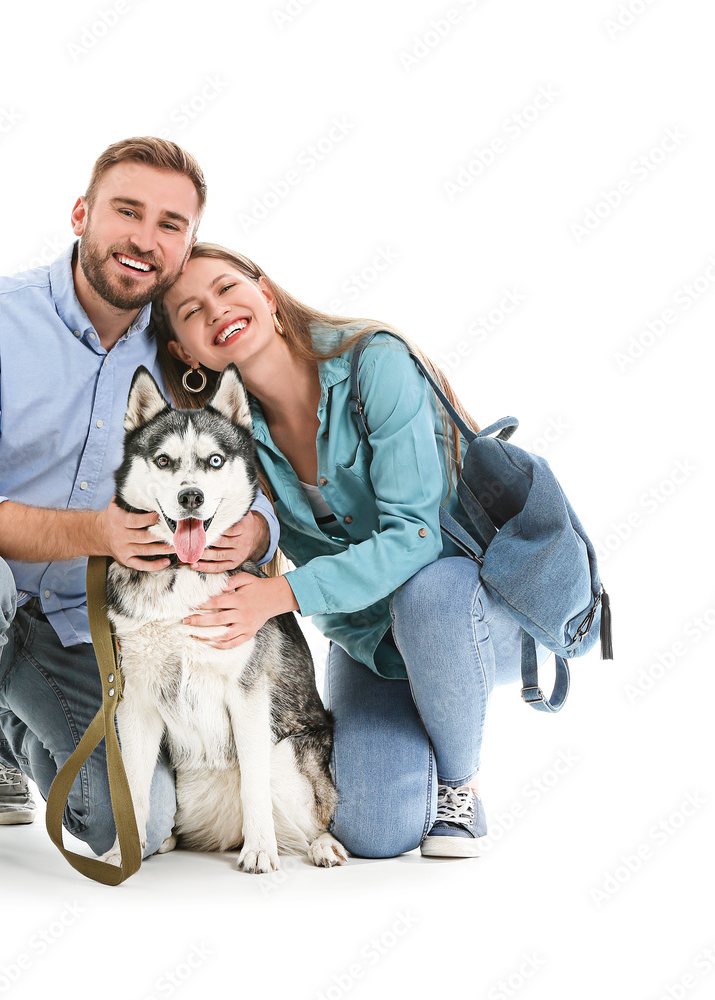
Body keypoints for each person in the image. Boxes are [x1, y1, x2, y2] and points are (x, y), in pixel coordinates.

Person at [0, 140, 279, 866]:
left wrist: (251, 531)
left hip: (73, 631)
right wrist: (94, 532)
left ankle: (2, 733)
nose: (145, 240)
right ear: (82, 214)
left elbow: (240, 474)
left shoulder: (182, 358)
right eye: (127, 211)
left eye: (170, 225)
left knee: (133, 828)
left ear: (184, 248)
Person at [153, 242, 551, 859]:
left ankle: (459, 788)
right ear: (186, 352)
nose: (217, 311)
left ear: (263, 288)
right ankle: (432, 715)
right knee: (371, 831)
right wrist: (256, 535)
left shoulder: (373, 362)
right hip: (373, 643)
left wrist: (280, 592)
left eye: (228, 287)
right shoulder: (228, 434)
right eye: (191, 312)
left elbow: (416, 538)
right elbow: (237, 514)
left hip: (467, 621)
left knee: (430, 593)